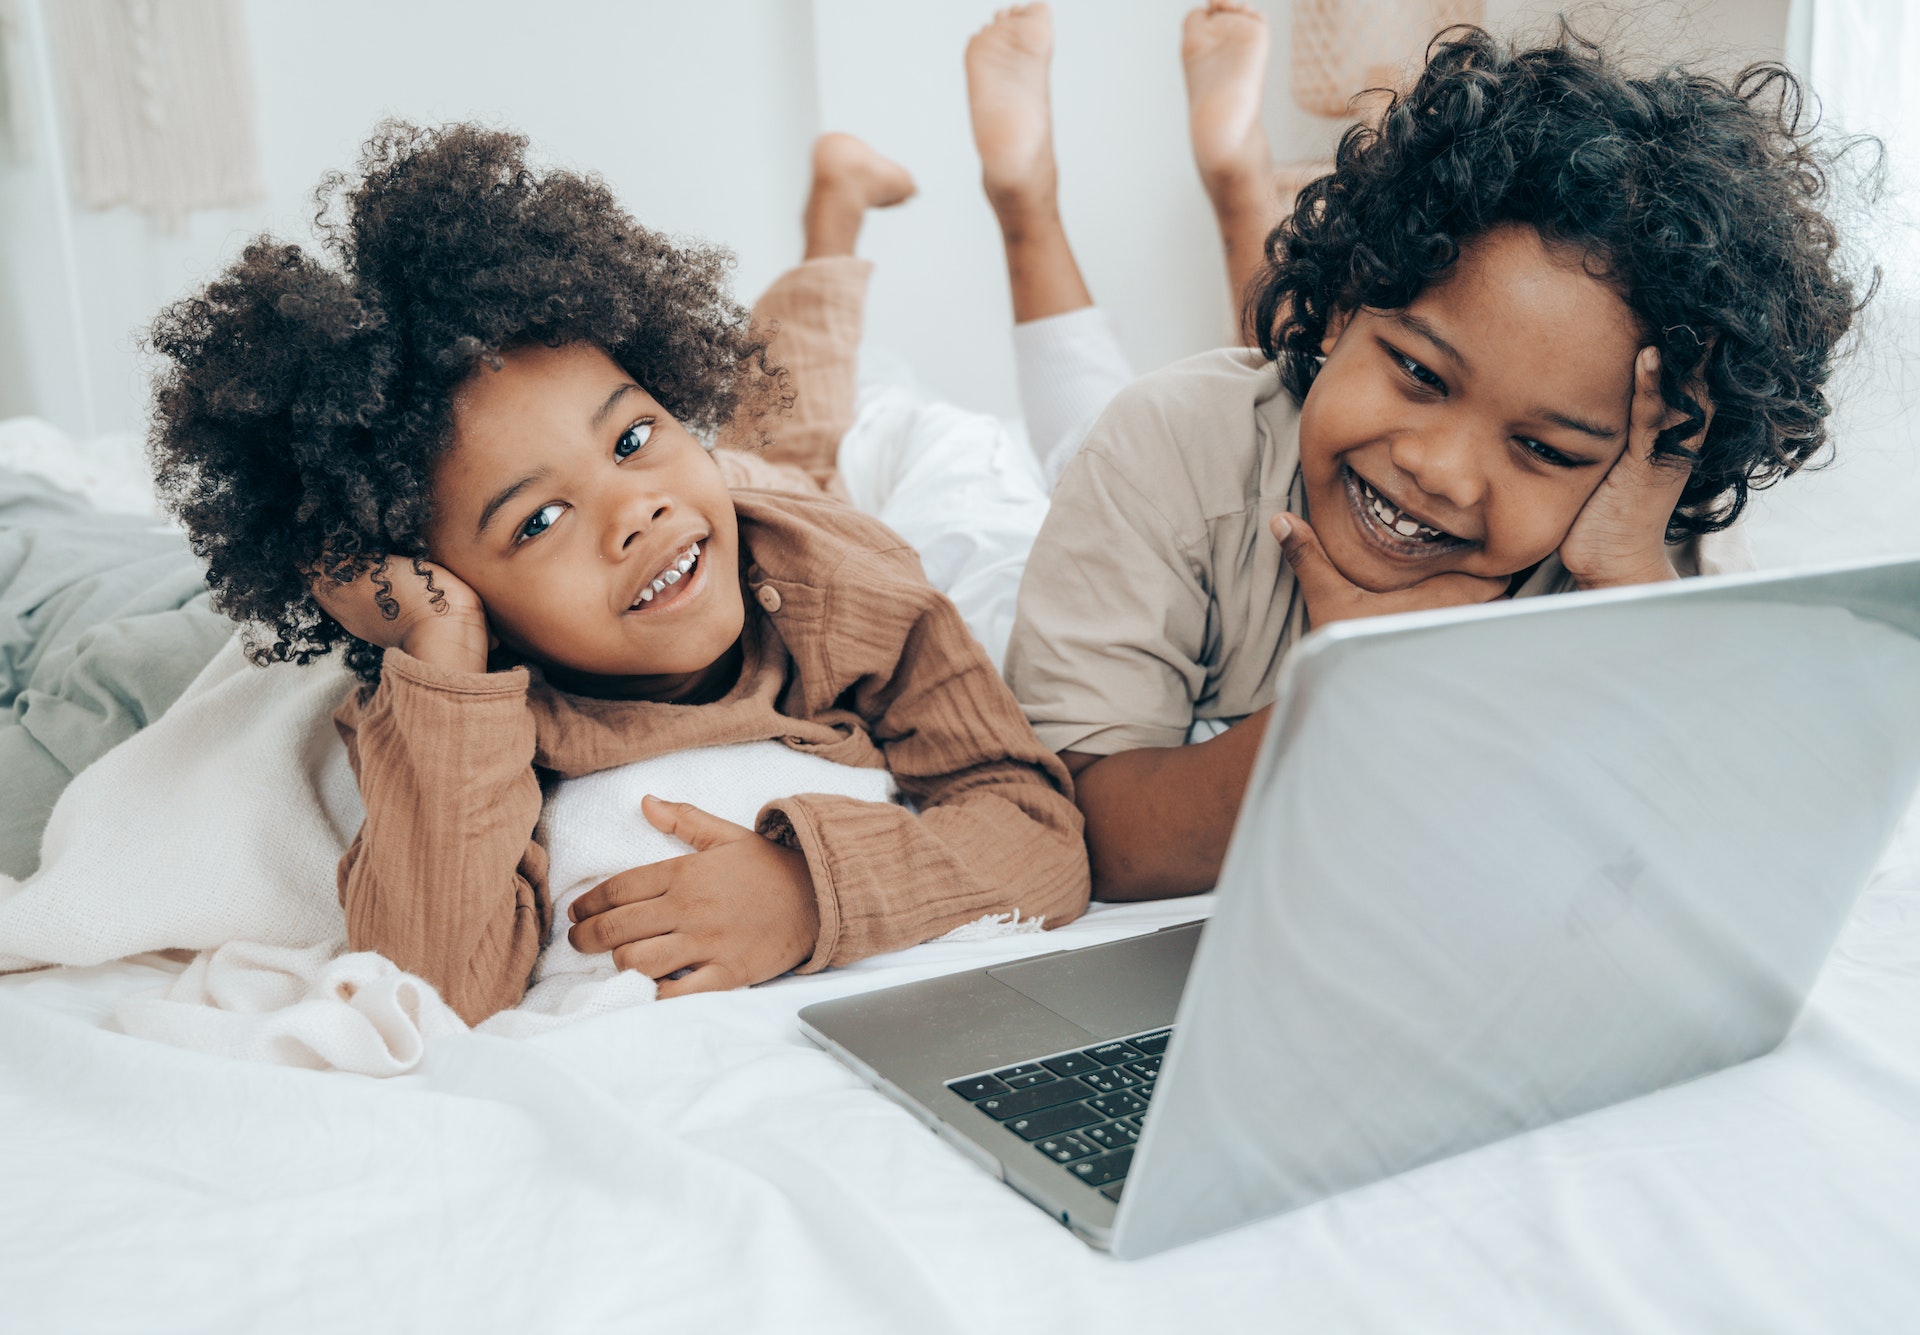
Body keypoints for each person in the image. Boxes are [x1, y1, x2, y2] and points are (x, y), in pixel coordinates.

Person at [145, 124, 1090, 1026]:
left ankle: (830, 227)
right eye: (540, 519)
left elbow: (1039, 830)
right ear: (452, 580)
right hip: (697, 529)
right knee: (784, 430)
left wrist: (811, 892)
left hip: (763, 508)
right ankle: (823, 228)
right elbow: (429, 987)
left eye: (634, 435)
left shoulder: (848, 583)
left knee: (797, 429)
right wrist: (439, 644)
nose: (630, 508)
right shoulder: (446, 696)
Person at [987, 9, 1864, 900]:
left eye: (1542, 447)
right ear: (1341, 308)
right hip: (1035, 558)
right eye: (1418, 372)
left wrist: (1623, 581)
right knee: (1007, 465)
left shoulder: (1641, 542)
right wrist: (1352, 697)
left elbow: (1717, 849)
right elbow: (1097, 839)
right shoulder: (1170, 447)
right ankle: (1038, 205)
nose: (1442, 470)